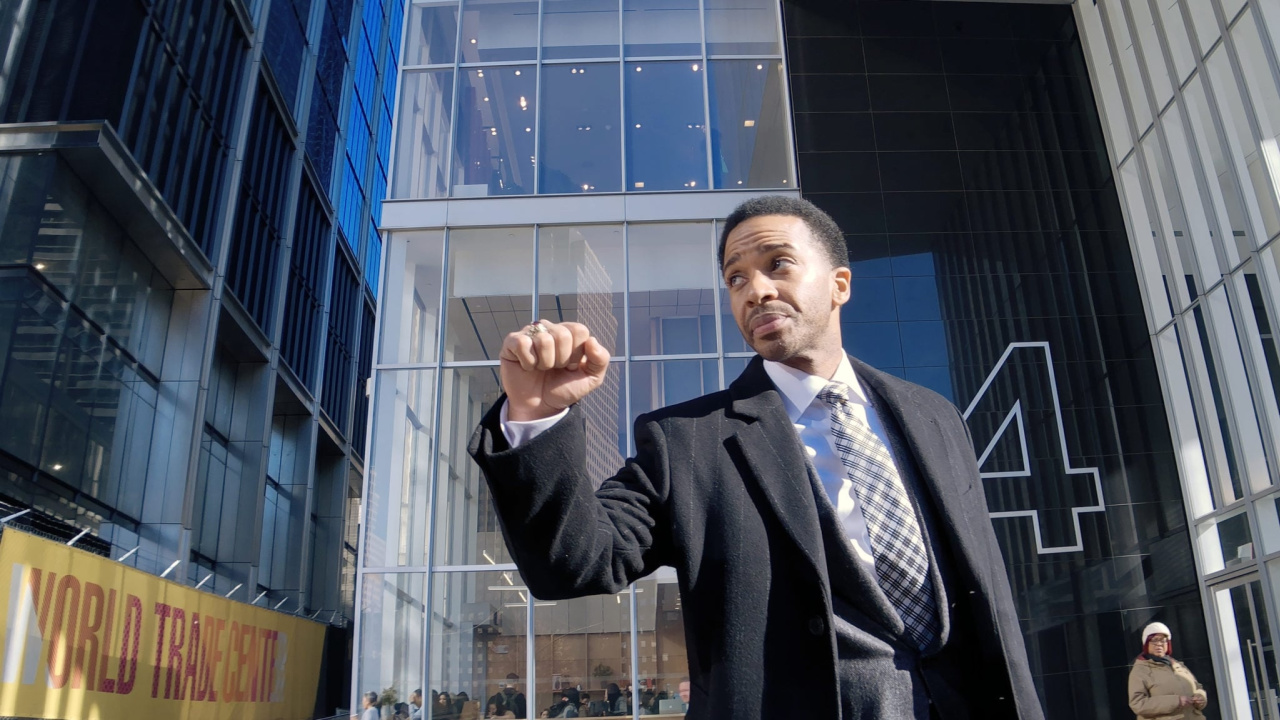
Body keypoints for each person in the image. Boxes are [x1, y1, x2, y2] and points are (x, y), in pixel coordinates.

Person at [469, 196, 1041, 719]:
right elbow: (575, 563)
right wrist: (535, 415)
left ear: (840, 283)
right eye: (735, 277)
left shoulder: (934, 416)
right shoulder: (687, 440)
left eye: (778, 264)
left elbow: (985, 595)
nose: (755, 289)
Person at [1128, 622, 1209, 719]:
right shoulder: (1140, 671)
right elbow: (1138, 704)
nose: (1159, 644)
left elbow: (1197, 687)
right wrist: (1176, 701)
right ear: (1146, 644)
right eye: (1154, 640)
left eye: (1163, 640)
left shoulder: (1178, 665)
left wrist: (1200, 697)